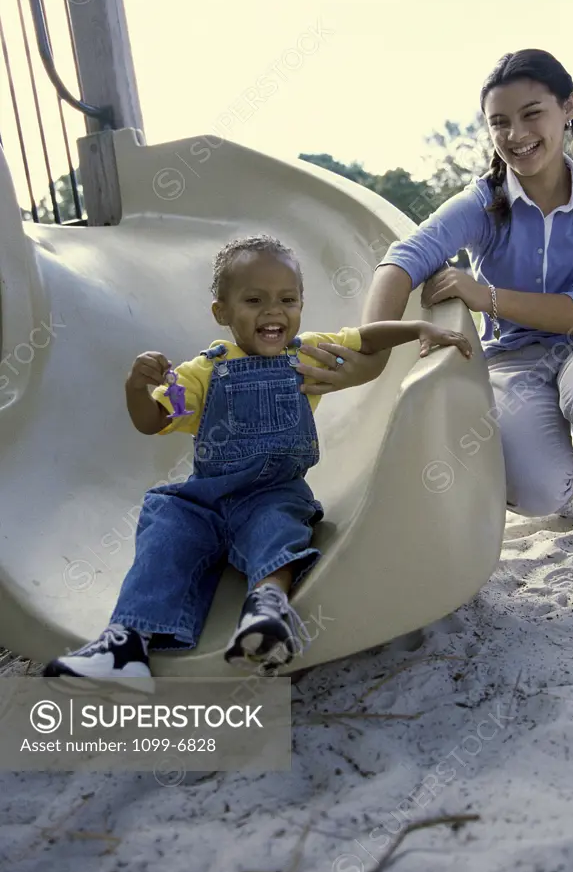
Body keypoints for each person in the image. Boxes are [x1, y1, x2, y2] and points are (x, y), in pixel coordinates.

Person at [43, 235, 471, 687]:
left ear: (302, 306)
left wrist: (418, 330)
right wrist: (136, 388)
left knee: (278, 525)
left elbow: (366, 339)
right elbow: (152, 422)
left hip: (272, 491)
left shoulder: (307, 353)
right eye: (254, 300)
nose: (273, 311)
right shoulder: (202, 372)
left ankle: (265, 614)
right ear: (222, 312)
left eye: (288, 299)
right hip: (205, 499)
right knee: (165, 522)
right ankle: (126, 645)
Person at [294, 49, 573, 548]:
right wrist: (371, 353)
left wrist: (483, 295)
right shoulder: (482, 202)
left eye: (532, 113)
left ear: (569, 107)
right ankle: (562, 484)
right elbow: (401, 260)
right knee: (540, 492)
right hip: (512, 358)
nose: (516, 134)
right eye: (500, 122)